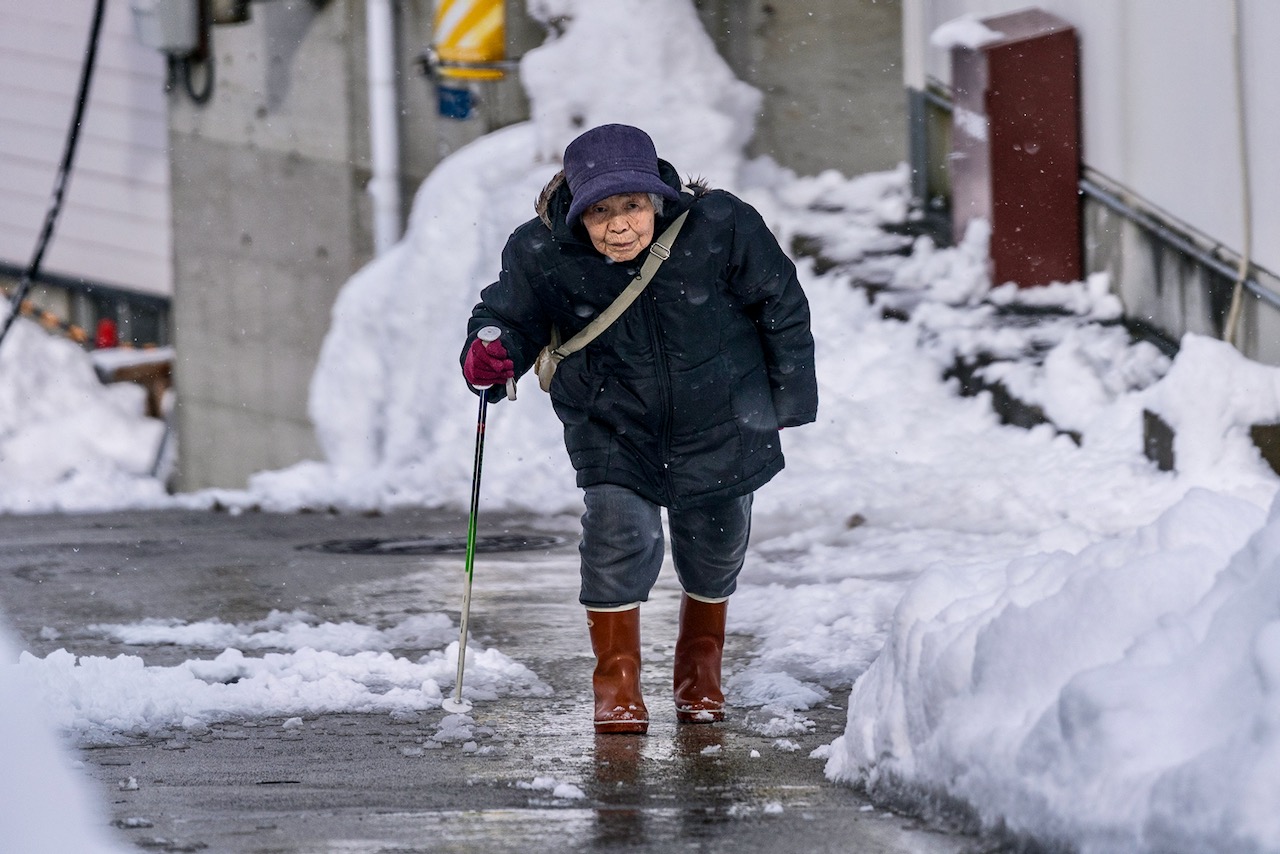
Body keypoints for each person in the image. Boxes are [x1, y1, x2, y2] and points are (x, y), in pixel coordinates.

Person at [460, 124, 817, 734]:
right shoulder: (542, 251)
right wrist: (490, 353)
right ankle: (617, 680)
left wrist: (783, 402)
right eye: (600, 212)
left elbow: (780, 303)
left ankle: (699, 667)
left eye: (631, 206)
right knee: (618, 535)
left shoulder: (721, 226)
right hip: (611, 422)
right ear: (576, 211)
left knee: (717, 541)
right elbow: (506, 317)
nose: (619, 226)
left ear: (657, 198)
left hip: (720, 413)